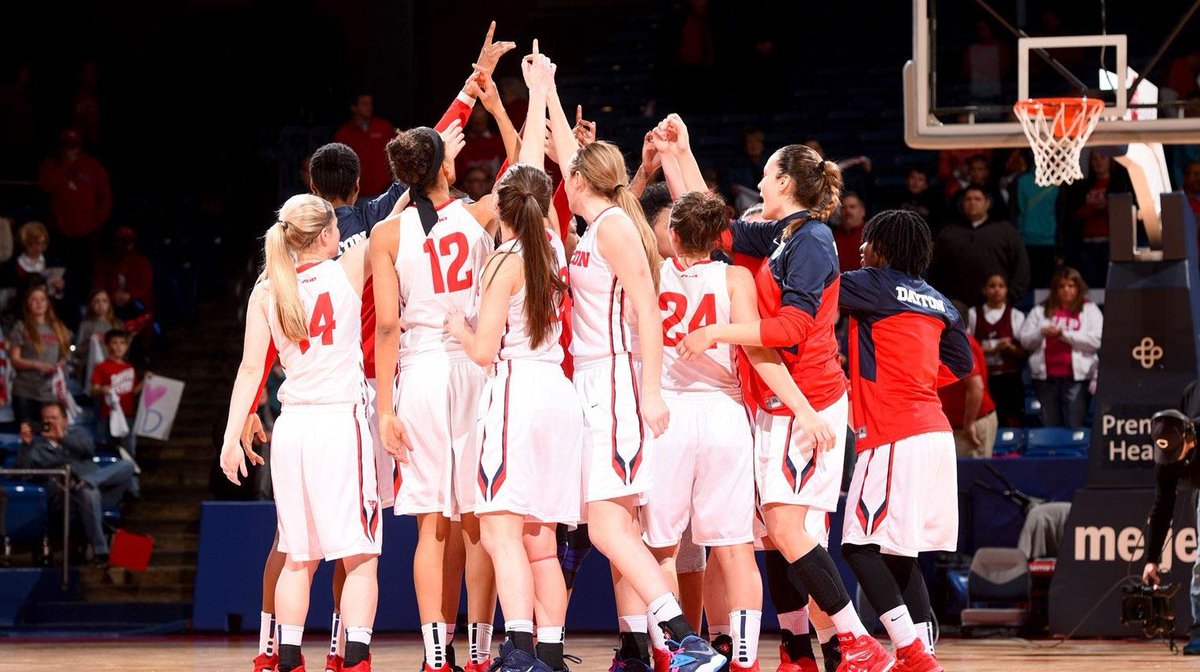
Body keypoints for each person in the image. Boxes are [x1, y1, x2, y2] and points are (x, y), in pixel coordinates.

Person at [675, 137, 891, 670]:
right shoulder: (782, 233)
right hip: (778, 400)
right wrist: (680, 151)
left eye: (768, 175)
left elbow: (793, 330)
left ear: (786, 184)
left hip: (808, 400)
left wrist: (714, 331)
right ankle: (810, 650)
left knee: (788, 527)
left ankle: (855, 643)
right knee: (782, 533)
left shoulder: (813, 239)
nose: (761, 183)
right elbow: (708, 226)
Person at [545, 95, 722, 670]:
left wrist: (648, 393)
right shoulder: (599, 224)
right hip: (597, 384)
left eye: (568, 172)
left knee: (606, 526)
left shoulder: (615, 226)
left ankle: (680, 639)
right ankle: (667, 641)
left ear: (579, 180)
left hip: (618, 382)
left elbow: (648, 311)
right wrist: (544, 89)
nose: (562, 178)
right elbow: (580, 159)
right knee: (611, 529)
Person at [650, 188, 839, 672]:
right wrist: (804, 408)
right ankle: (747, 661)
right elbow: (761, 352)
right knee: (735, 548)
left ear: (672, 235)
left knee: (662, 549)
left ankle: (670, 654)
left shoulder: (652, 271)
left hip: (668, 414)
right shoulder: (736, 276)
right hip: (725, 416)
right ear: (719, 238)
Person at [442, 50, 582, 672]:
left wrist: (458, 323)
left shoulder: (503, 261)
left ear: (502, 205)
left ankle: (520, 647)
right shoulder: (553, 243)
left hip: (517, 392)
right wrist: (541, 90)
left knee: (500, 531)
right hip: (558, 392)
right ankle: (548, 652)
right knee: (542, 539)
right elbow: (530, 170)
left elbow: (479, 353)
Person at [218, 193, 378, 672]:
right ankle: (355, 661)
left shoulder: (267, 289)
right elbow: (397, 221)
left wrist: (229, 440)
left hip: (292, 430)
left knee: (297, 558)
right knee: (360, 556)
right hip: (338, 424)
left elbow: (251, 371)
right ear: (329, 233)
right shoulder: (348, 267)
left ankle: (287, 659)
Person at [371, 100, 504, 672]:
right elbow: (525, 169)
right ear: (444, 169)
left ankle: (434, 656)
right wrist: (500, 103)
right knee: (477, 517)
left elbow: (381, 327)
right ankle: (478, 650)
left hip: (419, 372)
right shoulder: (478, 216)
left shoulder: (385, 232)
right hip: (474, 365)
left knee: (432, 525)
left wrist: (384, 410)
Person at [838, 209, 974, 672]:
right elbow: (962, 364)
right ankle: (924, 653)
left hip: (894, 433)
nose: (860, 248)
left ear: (885, 248)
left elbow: (814, 286)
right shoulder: (940, 301)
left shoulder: (871, 284)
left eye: (868, 240)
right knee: (899, 553)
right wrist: (915, 377)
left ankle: (909, 651)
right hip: (935, 433)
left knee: (857, 546)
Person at [15, 401, 139, 565]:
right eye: (47, 419)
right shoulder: (37, 448)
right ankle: (101, 550)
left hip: (101, 491)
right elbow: (23, 473)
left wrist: (63, 438)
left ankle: (87, 481)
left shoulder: (78, 435)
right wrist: (26, 445)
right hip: (67, 499)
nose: (51, 422)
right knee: (87, 491)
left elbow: (89, 449)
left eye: (55, 418)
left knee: (127, 465)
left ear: (65, 421)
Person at [1142, 382, 1200, 655]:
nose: (1174, 461)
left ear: (1190, 437)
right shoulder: (1168, 457)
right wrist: (1152, 559)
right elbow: (1162, 506)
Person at [1017, 266, 1102, 429]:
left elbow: (1096, 341)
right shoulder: (1040, 311)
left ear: (1078, 288)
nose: (1066, 290)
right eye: (1061, 286)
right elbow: (1025, 341)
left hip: (1077, 380)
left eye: (1071, 286)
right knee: (1051, 427)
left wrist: (1063, 334)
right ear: (1055, 289)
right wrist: (1041, 332)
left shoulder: (1090, 310)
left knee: (1074, 425)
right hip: (1045, 380)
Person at [928, 185, 1030, 307]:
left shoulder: (1006, 231)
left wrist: (1010, 296)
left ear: (987, 203)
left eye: (977, 199)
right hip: (956, 307)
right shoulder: (948, 233)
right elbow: (935, 270)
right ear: (962, 204)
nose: (972, 203)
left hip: (996, 306)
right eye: (968, 199)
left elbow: (1021, 267)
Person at [1056, 150, 1133, 288]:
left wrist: (1104, 207)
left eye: (1102, 157)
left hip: (1109, 244)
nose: (1099, 162)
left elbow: (1123, 212)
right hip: (1086, 244)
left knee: (1109, 285)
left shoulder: (1119, 184)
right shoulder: (1082, 187)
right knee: (1091, 286)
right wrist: (1094, 209)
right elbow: (1073, 214)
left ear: (1110, 161)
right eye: (1094, 159)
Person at [968, 274, 1026, 428]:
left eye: (1001, 286)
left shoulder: (1016, 315)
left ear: (1006, 290)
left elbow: (1024, 351)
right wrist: (992, 350)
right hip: (985, 379)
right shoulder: (973, 314)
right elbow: (968, 349)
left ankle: (1013, 451)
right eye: (992, 286)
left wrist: (1010, 348)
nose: (997, 290)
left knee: (1012, 419)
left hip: (1010, 378)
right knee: (987, 421)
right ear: (984, 290)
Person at [8, 286, 71, 424]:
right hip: (25, 391)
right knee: (28, 436)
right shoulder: (21, 326)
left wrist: (61, 363)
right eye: (34, 299)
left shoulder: (58, 327)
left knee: (50, 436)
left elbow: (68, 352)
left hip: (50, 393)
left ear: (48, 302)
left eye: (42, 299)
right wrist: (36, 364)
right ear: (28, 304)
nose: (39, 303)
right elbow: (14, 359)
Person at [938, 334, 999, 458]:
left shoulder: (955, 342)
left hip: (971, 425)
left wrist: (969, 424)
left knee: (971, 475)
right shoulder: (950, 340)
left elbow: (976, 387)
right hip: (957, 425)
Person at [90, 329, 144, 460]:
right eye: (115, 343)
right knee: (108, 451)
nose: (119, 347)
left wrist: (145, 382)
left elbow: (133, 391)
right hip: (107, 415)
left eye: (122, 343)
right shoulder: (102, 367)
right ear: (108, 345)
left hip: (128, 415)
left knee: (128, 452)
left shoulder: (130, 368)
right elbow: (94, 389)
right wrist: (104, 389)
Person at [334, 93, 395, 197]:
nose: (369, 107)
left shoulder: (384, 127)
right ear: (354, 108)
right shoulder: (344, 133)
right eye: (364, 104)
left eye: (370, 104)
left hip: (386, 191)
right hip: (358, 194)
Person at [75, 289, 123, 384]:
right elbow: (77, 351)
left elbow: (123, 349)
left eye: (104, 301)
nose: (101, 305)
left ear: (109, 304)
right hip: (91, 369)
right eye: (96, 301)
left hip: (112, 369)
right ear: (91, 304)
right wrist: (90, 343)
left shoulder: (117, 324)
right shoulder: (85, 325)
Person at [831, 192, 866, 274]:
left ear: (862, 211)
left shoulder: (871, 236)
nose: (848, 211)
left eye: (852, 207)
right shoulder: (832, 237)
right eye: (843, 208)